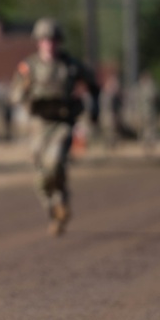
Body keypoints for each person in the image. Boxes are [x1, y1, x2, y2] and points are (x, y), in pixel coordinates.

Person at [9, 17, 98, 237]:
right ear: (38, 42)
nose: (49, 44)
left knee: (55, 162)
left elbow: (94, 86)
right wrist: (24, 91)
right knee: (41, 178)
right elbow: (15, 95)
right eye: (45, 39)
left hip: (62, 123)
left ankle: (61, 201)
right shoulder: (28, 67)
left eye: (54, 39)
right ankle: (55, 210)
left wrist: (93, 110)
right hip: (39, 125)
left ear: (59, 42)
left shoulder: (70, 65)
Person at [133, 69, 158, 154]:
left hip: (145, 113)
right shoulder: (149, 88)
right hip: (146, 113)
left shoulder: (139, 88)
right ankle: (147, 144)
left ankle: (147, 144)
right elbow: (154, 98)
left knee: (146, 130)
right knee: (147, 130)